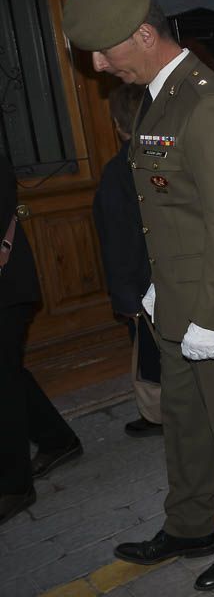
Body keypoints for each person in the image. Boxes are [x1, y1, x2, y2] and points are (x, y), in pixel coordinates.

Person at [63, 0, 214, 592]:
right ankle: (189, 525)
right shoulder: (158, 96)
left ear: (143, 34)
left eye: (107, 50)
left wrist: (209, 316)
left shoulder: (206, 102)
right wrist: (161, 287)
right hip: (178, 293)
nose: (101, 65)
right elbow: (170, 211)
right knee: (184, 420)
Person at [1, 154, 83, 526]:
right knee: (7, 373)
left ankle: (14, 486)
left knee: (3, 378)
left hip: (7, 287)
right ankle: (57, 440)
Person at [93, 83, 161, 438]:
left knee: (152, 353)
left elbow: (118, 239)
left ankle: (162, 414)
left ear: (118, 126)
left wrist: (123, 296)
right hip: (173, 273)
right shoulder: (170, 156)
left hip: (143, 280)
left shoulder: (118, 172)